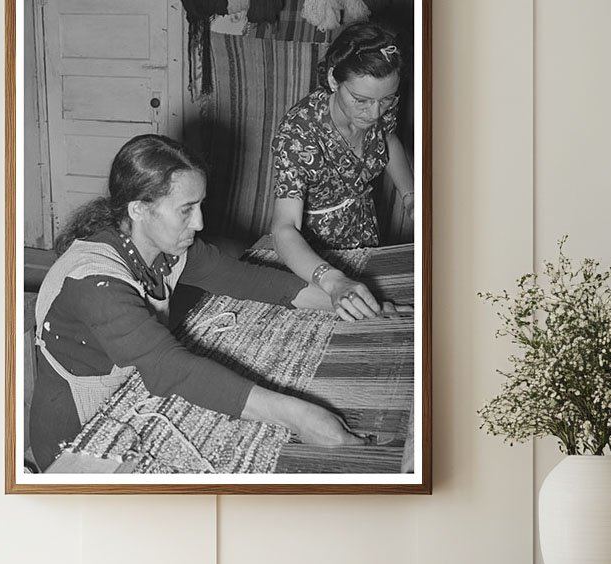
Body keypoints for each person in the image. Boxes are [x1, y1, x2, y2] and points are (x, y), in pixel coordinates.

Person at [29, 133, 367, 471]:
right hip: (79, 435)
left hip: (129, 398)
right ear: (139, 209)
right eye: (186, 210)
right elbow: (169, 368)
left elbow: (248, 279)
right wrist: (300, 416)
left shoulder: (163, 246)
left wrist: (343, 299)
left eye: (200, 205)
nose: (200, 222)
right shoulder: (94, 282)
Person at [270, 21, 416, 321]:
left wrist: (410, 196)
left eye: (386, 100)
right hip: (314, 257)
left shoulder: (380, 103)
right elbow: (284, 228)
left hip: (365, 235)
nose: (374, 112)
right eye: (360, 100)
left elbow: (387, 138)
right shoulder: (299, 133)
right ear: (334, 81)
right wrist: (331, 279)